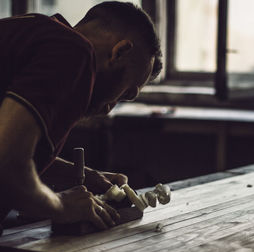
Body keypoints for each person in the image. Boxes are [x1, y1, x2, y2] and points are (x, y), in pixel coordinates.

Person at [0, 1, 162, 234]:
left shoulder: (35, 33)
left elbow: (12, 145)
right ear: (120, 51)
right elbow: (6, 163)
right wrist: (61, 205)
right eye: (126, 93)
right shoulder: (73, 50)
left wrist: (87, 176)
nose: (109, 108)